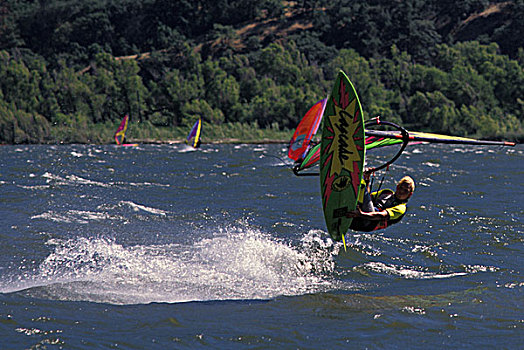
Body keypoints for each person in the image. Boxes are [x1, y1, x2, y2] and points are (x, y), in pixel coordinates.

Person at [346, 170, 415, 232]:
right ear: (397, 187)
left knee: (361, 185)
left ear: (410, 194)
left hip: (367, 222)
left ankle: (350, 174)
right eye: (401, 187)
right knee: (360, 192)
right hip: (359, 217)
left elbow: (381, 216)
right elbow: (367, 198)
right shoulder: (386, 193)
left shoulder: (401, 208)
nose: (401, 191)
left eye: (406, 190)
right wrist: (367, 179)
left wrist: (360, 214)